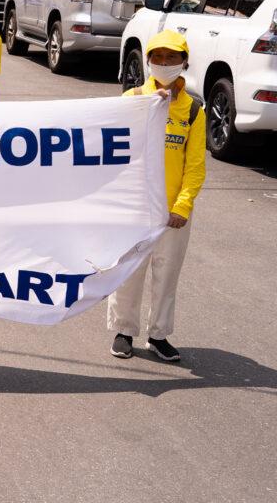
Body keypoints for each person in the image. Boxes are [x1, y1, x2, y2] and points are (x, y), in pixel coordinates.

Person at [108, 30, 206, 363]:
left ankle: (158, 335)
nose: (164, 64)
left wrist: (182, 206)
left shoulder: (193, 110)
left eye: (172, 58)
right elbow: (115, 155)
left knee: (167, 273)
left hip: (172, 210)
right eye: (158, 58)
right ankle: (124, 331)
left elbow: (195, 167)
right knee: (130, 271)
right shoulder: (133, 98)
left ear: (184, 63)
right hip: (136, 207)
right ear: (148, 62)